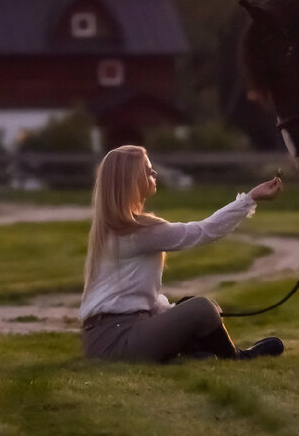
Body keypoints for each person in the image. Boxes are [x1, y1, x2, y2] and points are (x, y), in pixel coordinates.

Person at [79, 144, 285, 363]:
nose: (155, 173)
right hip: (119, 339)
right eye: (148, 171)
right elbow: (204, 231)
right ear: (132, 179)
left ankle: (196, 354)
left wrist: (174, 311)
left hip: (106, 337)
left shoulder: (114, 229)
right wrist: (250, 198)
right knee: (202, 308)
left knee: (200, 307)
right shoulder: (137, 232)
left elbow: (135, 298)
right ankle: (236, 357)